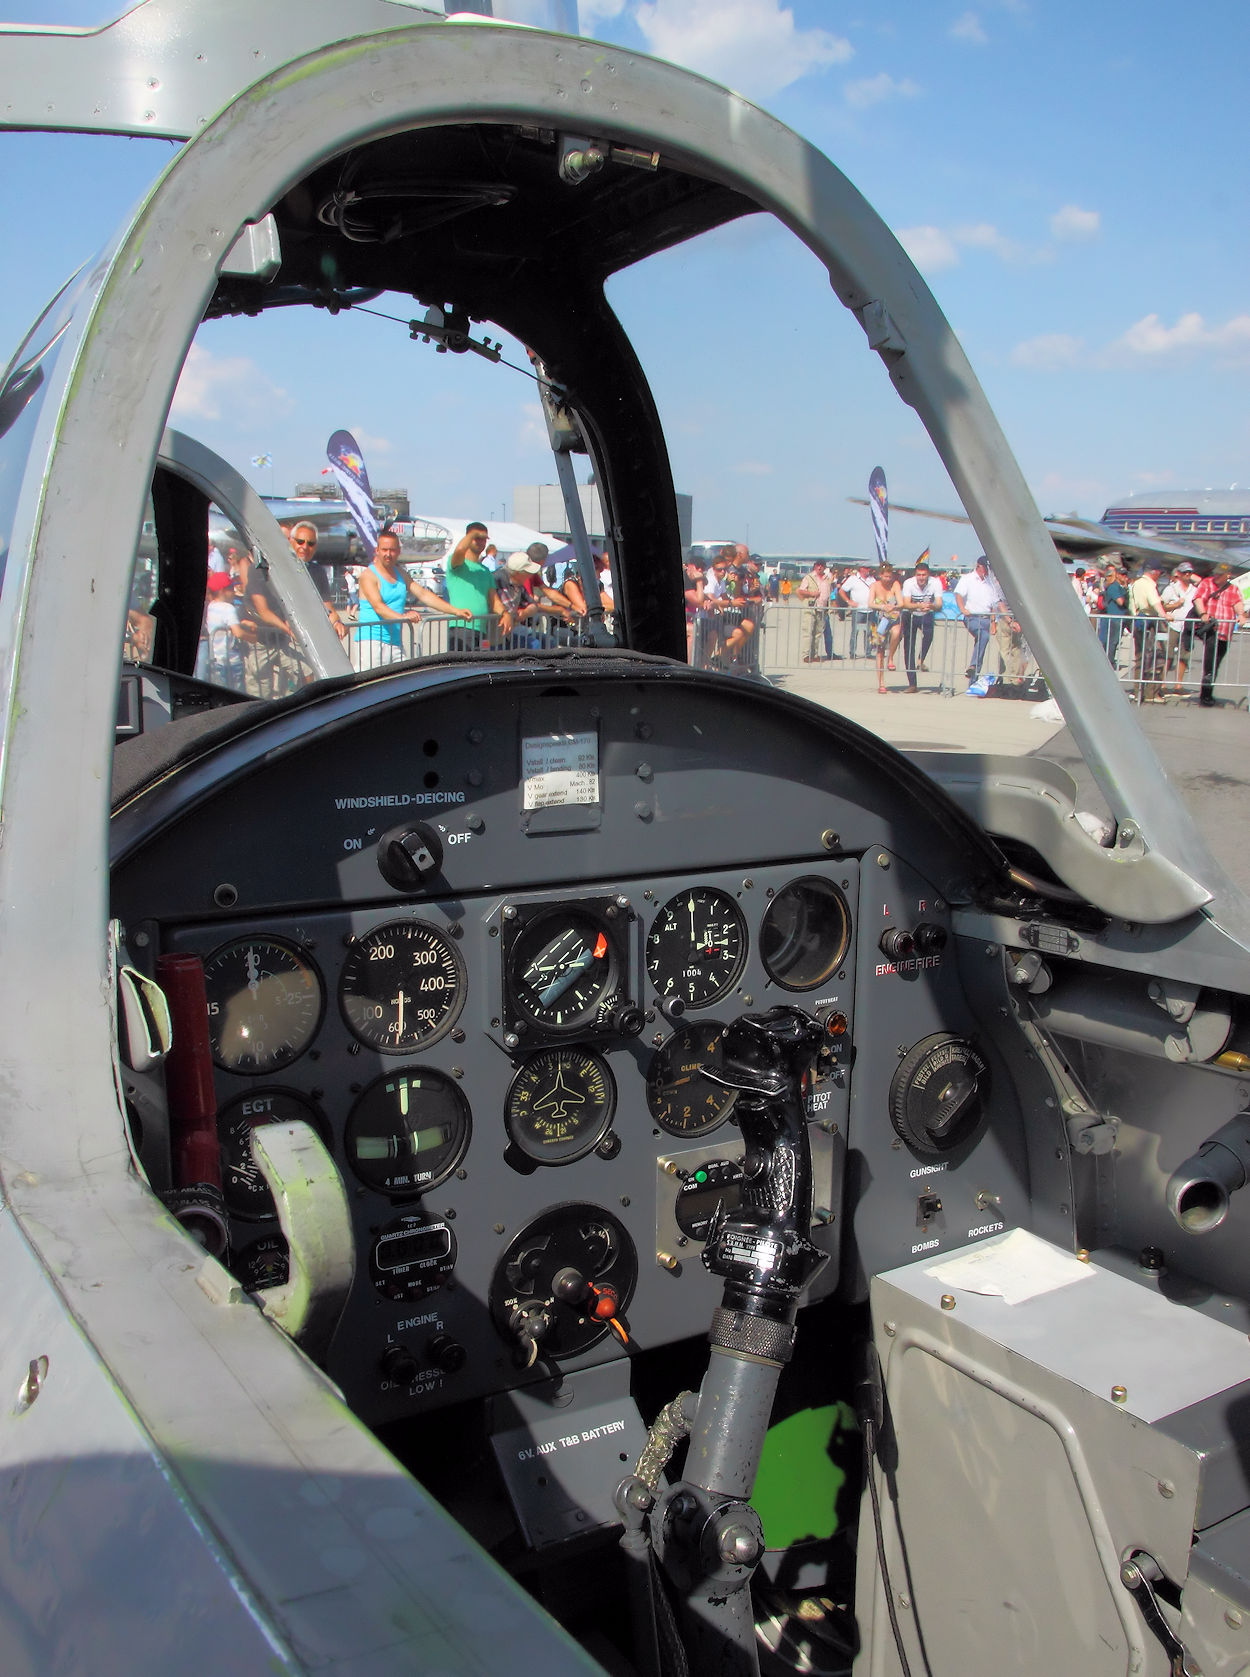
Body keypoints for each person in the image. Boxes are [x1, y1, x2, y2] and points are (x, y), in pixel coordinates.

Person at [353, 528, 471, 669]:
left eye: (392, 550)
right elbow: (378, 607)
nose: (388, 554)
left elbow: (423, 594)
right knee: (371, 688)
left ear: (398, 551)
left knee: (401, 685)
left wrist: (455, 611)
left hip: (395, 642)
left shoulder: (401, 574)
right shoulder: (368, 576)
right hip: (371, 642)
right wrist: (404, 617)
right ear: (377, 551)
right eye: (384, 550)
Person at [1192, 562, 1246, 707]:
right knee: (1210, 662)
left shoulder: (1233, 589)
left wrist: (1241, 615)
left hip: (1225, 632)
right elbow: (1198, 599)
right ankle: (1206, 694)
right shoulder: (1207, 583)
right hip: (1211, 630)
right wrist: (1203, 613)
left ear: (1227, 575)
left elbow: (1238, 603)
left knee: (1216, 662)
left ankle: (1208, 691)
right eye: (1215, 573)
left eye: (1220, 574)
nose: (1216, 576)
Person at [444, 521, 502, 648]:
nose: (481, 542)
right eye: (477, 538)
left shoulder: (485, 571)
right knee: (461, 666)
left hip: (481, 629)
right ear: (468, 538)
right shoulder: (457, 564)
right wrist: (472, 534)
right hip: (461, 627)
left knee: (480, 666)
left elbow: (494, 600)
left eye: (484, 539)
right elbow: (460, 549)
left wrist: (505, 614)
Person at [955, 555, 1012, 681]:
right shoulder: (968, 579)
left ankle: (973, 677)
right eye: (985, 568)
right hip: (972, 617)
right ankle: (973, 665)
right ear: (979, 566)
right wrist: (962, 609)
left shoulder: (990, 582)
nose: (987, 571)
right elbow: (958, 594)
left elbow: (997, 603)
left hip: (986, 618)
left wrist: (1006, 619)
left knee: (981, 645)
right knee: (983, 636)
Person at [288, 521, 347, 641]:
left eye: (310, 543)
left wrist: (337, 623)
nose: (304, 547)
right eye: (300, 541)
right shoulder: (280, 567)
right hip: (283, 637)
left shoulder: (318, 571)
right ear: (291, 541)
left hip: (309, 638)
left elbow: (327, 607)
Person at [899, 554, 942, 692]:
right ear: (915, 575)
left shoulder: (935, 582)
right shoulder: (908, 583)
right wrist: (918, 606)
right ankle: (912, 684)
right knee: (908, 648)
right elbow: (906, 603)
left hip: (926, 613)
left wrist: (931, 606)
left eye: (924, 575)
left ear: (928, 575)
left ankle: (921, 659)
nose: (921, 578)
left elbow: (939, 604)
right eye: (919, 575)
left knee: (929, 635)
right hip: (910, 615)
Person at [1129, 560, 1169, 703]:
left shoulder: (1136, 584)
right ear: (1155, 571)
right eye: (1159, 572)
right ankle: (1152, 692)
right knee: (1156, 656)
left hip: (1138, 620)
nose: (1160, 575)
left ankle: (1137, 691)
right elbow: (1154, 602)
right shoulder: (1149, 585)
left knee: (1140, 656)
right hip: (1150, 620)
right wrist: (1164, 614)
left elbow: (1132, 603)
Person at [1161, 562, 1201, 695]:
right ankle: (1162, 684)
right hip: (1173, 625)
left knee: (1184, 656)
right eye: (1185, 572)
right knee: (1168, 655)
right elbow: (1162, 606)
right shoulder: (1170, 589)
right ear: (1179, 573)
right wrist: (1176, 605)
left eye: (1189, 572)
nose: (1188, 575)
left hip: (1187, 627)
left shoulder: (1194, 590)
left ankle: (1178, 685)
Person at [869, 562, 902, 693]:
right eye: (885, 577)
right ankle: (881, 683)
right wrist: (882, 606)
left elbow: (901, 602)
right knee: (879, 652)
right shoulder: (874, 586)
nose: (888, 579)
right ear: (880, 575)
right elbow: (870, 603)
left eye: (890, 577)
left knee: (897, 632)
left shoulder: (895, 585)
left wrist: (893, 607)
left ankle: (891, 658)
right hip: (878, 620)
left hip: (892, 618)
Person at [797, 559, 833, 662]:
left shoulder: (827, 579)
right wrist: (812, 594)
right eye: (818, 565)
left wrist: (830, 606)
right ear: (815, 566)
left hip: (822, 608)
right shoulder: (809, 577)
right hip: (810, 607)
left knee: (818, 633)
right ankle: (806, 655)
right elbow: (801, 591)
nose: (819, 567)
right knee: (808, 631)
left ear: (825, 567)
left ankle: (815, 654)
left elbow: (829, 593)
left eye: (822, 565)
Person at [838, 561, 873, 658]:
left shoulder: (872, 579)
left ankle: (868, 652)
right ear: (861, 568)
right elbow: (841, 591)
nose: (868, 570)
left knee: (869, 632)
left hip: (870, 609)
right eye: (866, 568)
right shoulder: (853, 579)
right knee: (855, 631)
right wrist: (849, 601)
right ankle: (852, 652)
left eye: (869, 568)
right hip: (858, 609)